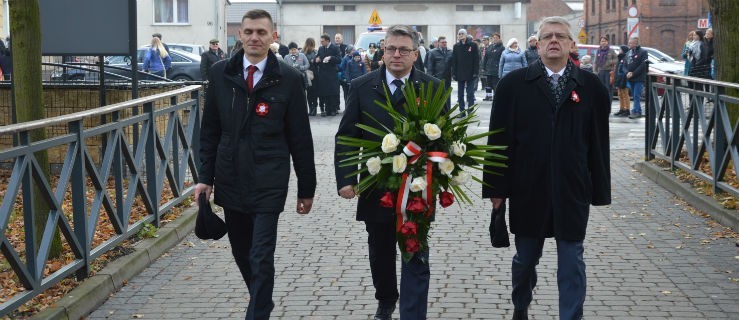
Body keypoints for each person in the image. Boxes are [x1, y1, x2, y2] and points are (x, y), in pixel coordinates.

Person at [483, 16, 611, 320]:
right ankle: (521, 305)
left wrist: (600, 190)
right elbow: (498, 140)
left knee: (571, 260)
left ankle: (571, 316)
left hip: (572, 188)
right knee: (526, 259)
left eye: (560, 36)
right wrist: (496, 190)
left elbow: (598, 144)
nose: (553, 40)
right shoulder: (513, 86)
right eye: (547, 36)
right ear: (537, 44)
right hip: (528, 186)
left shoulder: (590, 86)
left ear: (571, 44)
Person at [194, 9, 316, 320]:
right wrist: (204, 177)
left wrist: (307, 188)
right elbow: (208, 131)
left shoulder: (288, 79)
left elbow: (300, 138)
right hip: (230, 177)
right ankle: (261, 301)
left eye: (261, 32)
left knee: (261, 255)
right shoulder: (221, 74)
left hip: (269, 179)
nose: (254, 38)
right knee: (242, 252)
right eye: (248, 31)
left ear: (273, 36)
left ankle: (257, 313)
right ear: (239, 35)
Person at [335, 24, 446, 320]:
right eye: (390, 49)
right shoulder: (361, 86)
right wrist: (346, 180)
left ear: (415, 53)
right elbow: (347, 137)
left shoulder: (433, 87)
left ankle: (412, 313)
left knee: (416, 250)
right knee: (381, 250)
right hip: (376, 185)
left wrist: (444, 175)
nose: (396, 55)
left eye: (403, 50)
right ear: (382, 52)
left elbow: (445, 138)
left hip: (418, 187)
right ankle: (386, 299)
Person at [450, 28, 479, 117]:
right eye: (459, 34)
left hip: (470, 73)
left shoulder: (473, 45)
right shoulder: (456, 46)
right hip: (460, 73)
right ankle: (462, 111)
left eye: (462, 33)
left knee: (470, 93)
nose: (460, 35)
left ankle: (470, 111)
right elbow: (454, 61)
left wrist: (475, 72)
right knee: (460, 94)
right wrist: (453, 73)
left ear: (466, 35)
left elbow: (476, 60)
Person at [315, 34, 341, 117]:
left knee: (332, 92)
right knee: (325, 92)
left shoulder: (335, 48)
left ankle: (333, 109)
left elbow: (339, 60)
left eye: (322, 41)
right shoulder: (321, 48)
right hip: (323, 74)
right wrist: (316, 60)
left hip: (332, 74)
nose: (321, 42)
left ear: (327, 41)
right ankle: (327, 110)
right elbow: (318, 58)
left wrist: (330, 58)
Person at [624, 37, 648, 119]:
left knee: (636, 95)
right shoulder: (628, 53)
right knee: (634, 95)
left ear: (635, 43)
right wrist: (627, 72)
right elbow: (624, 65)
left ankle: (636, 111)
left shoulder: (643, 52)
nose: (629, 44)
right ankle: (637, 110)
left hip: (638, 78)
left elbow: (643, 65)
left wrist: (633, 73)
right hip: (630, 78)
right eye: (629, 42)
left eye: (630, 43)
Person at [482, 33, 505, 101]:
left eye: (496, 38)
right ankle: (488, 96)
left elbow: (502, 59)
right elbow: (486, 57)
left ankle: (496, 96)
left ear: (499, 39)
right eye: (494, 38)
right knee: (488, 84)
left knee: (495, 84)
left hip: (496, 69)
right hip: (489, 68)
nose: (495, 39)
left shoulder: (502, 47)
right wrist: (484, 67)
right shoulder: (490, 46)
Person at [303, 37, 320, 116]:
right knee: (312, 93)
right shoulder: (312, 52)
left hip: (310, 74)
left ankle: (312, 109)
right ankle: (313, 108)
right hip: (311, 74)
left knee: (311, 92)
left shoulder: (304, 52)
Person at [613, 45, 631, 117]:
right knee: (620, 94)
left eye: (620, 49)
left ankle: (627, 109)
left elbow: (625, 69)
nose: (619, 51)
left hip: (623, 78)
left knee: (625, 94)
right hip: (619, 78)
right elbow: (617, 69)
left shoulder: (625, 58)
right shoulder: (620, 58)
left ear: (623, 50)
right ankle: (622, 109)